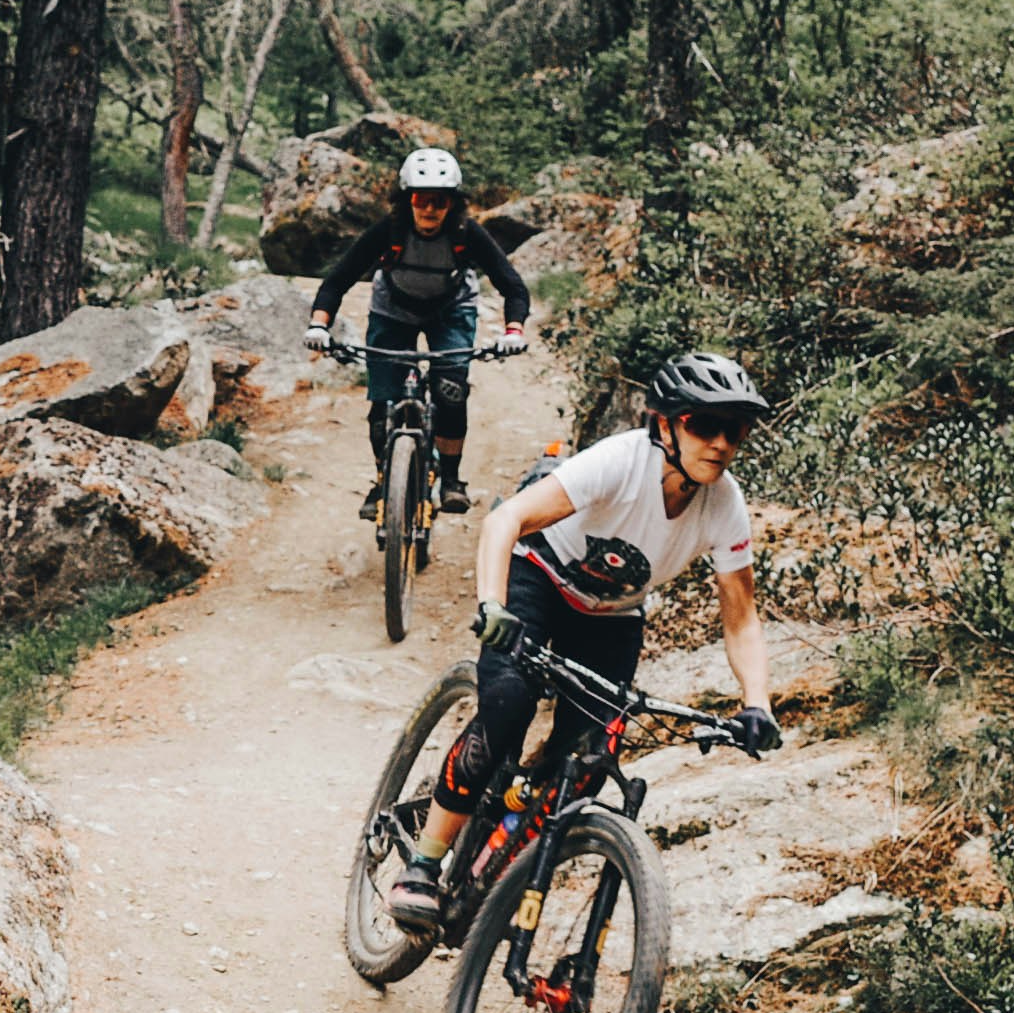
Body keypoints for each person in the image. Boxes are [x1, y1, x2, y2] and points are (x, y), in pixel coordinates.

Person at [387, 348, 785, 927]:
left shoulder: (725, 506)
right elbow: (506, 521)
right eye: (704, 424)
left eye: (735, 430)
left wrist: (756, 704)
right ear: (667, 423)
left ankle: (490, 871)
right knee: (507, 706)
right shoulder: (621, 462)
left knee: (590, 763)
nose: (721, 443)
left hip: (612, 616)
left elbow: (741, 617)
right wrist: (492, 605)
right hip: (539, 581)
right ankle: (423, 864)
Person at [305, 142, 532, 515]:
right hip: (392, 310)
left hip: (451, 310)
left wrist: (513, 331)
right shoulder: (388, 230)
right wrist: (318, 325)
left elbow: (512, 285)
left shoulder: (466, 232)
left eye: (440, 201)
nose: (429, 209)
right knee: (382, 403)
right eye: (421, 199)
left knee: (451, 391)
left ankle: (452, 480)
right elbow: (337, 280)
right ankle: (384, 482)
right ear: (407, 200)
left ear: (452, 204)